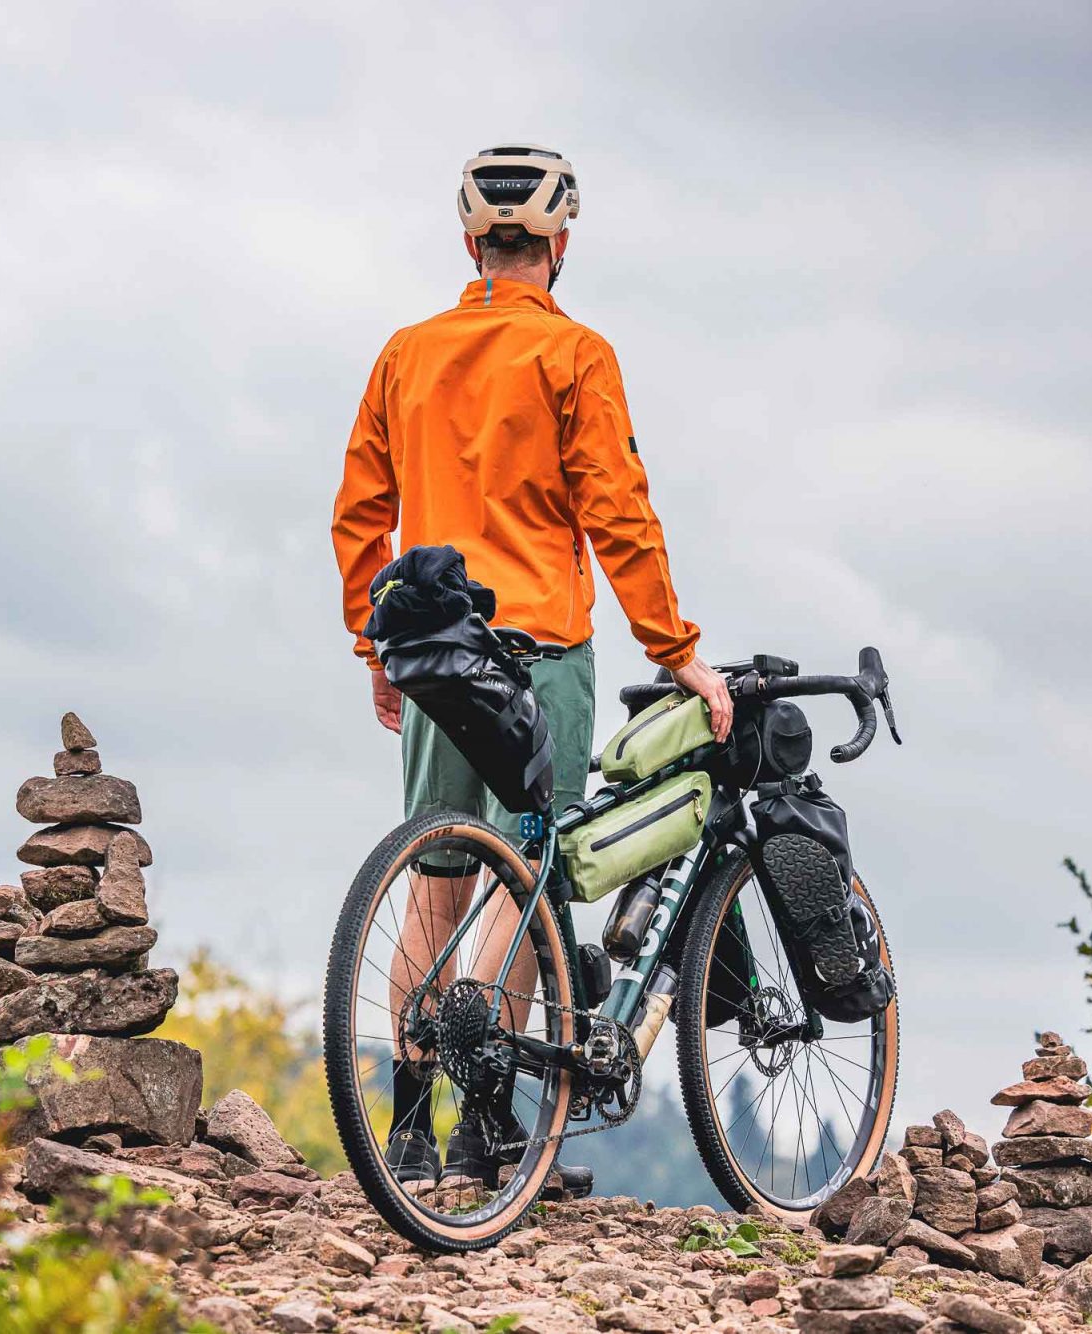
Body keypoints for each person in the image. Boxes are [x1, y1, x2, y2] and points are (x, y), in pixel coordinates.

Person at [330, 144, 733, 1193]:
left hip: (432, 652)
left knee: (433, 872)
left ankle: (407, 1129)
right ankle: (483, 1130)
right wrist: (675, 651)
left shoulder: (405, 353)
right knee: (520, 874)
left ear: (470, 240)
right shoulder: (576, 355)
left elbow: (359, 514)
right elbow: (616, 511)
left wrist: (374, 642)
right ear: (558, 242)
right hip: (540, 649)